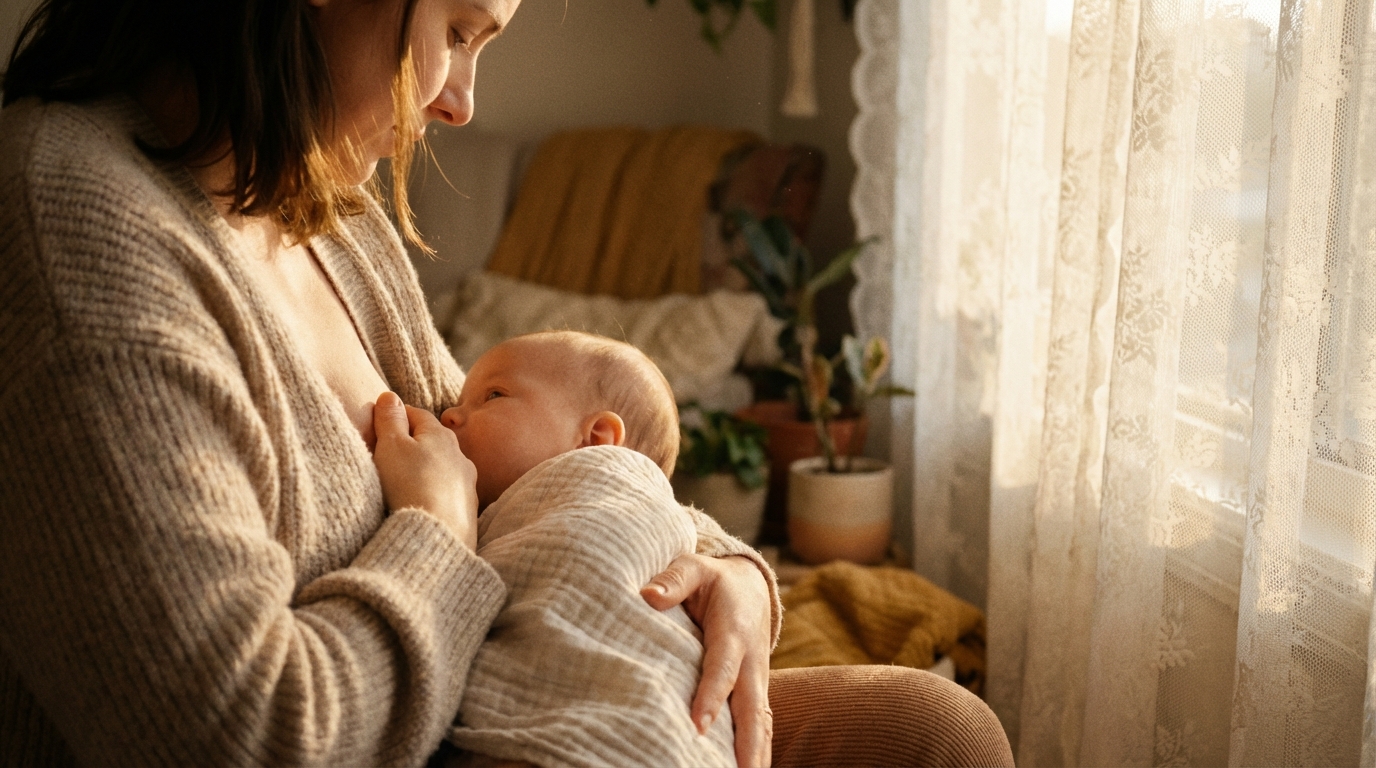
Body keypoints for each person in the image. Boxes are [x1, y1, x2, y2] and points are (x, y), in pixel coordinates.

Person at [0, 0, 1014, 765]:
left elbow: (519, 456)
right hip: (418, 737)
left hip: (498, 698)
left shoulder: (320, 206)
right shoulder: (77, 236)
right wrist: (436, 533)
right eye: (456, 28)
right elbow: (248, 734)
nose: (461, 99)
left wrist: (729, 572)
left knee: (935, 729)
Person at [442, 330, 737, 766]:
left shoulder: (610, 496)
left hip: (646, 725)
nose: (449, 415)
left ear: (597, 438)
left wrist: (740, 567)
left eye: (492, 396)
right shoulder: (504, 515)